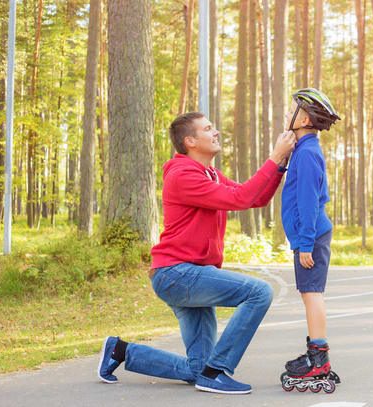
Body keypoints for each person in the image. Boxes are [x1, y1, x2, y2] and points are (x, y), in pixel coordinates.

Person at [97, 112, 295, 395]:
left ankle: (121, 351)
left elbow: (256, 197)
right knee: (259, 292)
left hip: (195, 274)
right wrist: (274, 157)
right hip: (177, 274)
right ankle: (218, 371)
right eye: (208, 129)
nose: (215, 133)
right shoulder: (182, 176)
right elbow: (241, 198)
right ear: (190, 141)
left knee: (197, 369)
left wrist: (280, 165)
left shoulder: (209, 173)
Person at [279, 88, 342, 393]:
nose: (285, 113)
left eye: (289, 109)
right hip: (312, 233)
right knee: (310, 292)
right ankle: (317, 354)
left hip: (312, 235)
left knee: (311, 293)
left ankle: (318, 358)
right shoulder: (304, 149)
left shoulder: (306, 154)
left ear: (303, 117)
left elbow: (307, 201)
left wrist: (305, 243)